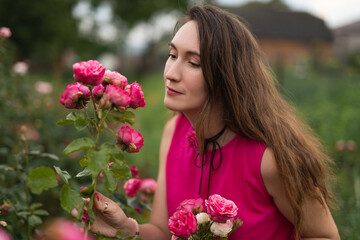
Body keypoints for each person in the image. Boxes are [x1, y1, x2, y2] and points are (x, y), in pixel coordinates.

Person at [72, 4, 340, 240]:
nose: (172, 73)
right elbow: (163, 232)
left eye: (193, 63)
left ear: (226, 76)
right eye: (173, 55)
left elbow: (324, 235)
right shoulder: (172, 132)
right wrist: (128, 227)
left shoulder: (270, 158)